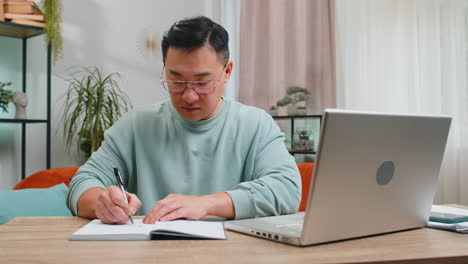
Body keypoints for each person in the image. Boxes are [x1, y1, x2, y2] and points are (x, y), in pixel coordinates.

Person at [66, 16, 301, 224]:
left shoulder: (256, 124)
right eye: (176, 81)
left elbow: (286, 189)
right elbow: (82, 184)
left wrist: (206, 204)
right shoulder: (137, 125)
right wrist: (102, 202)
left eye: (202, 82)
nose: (188, 96)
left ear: (227, 71)